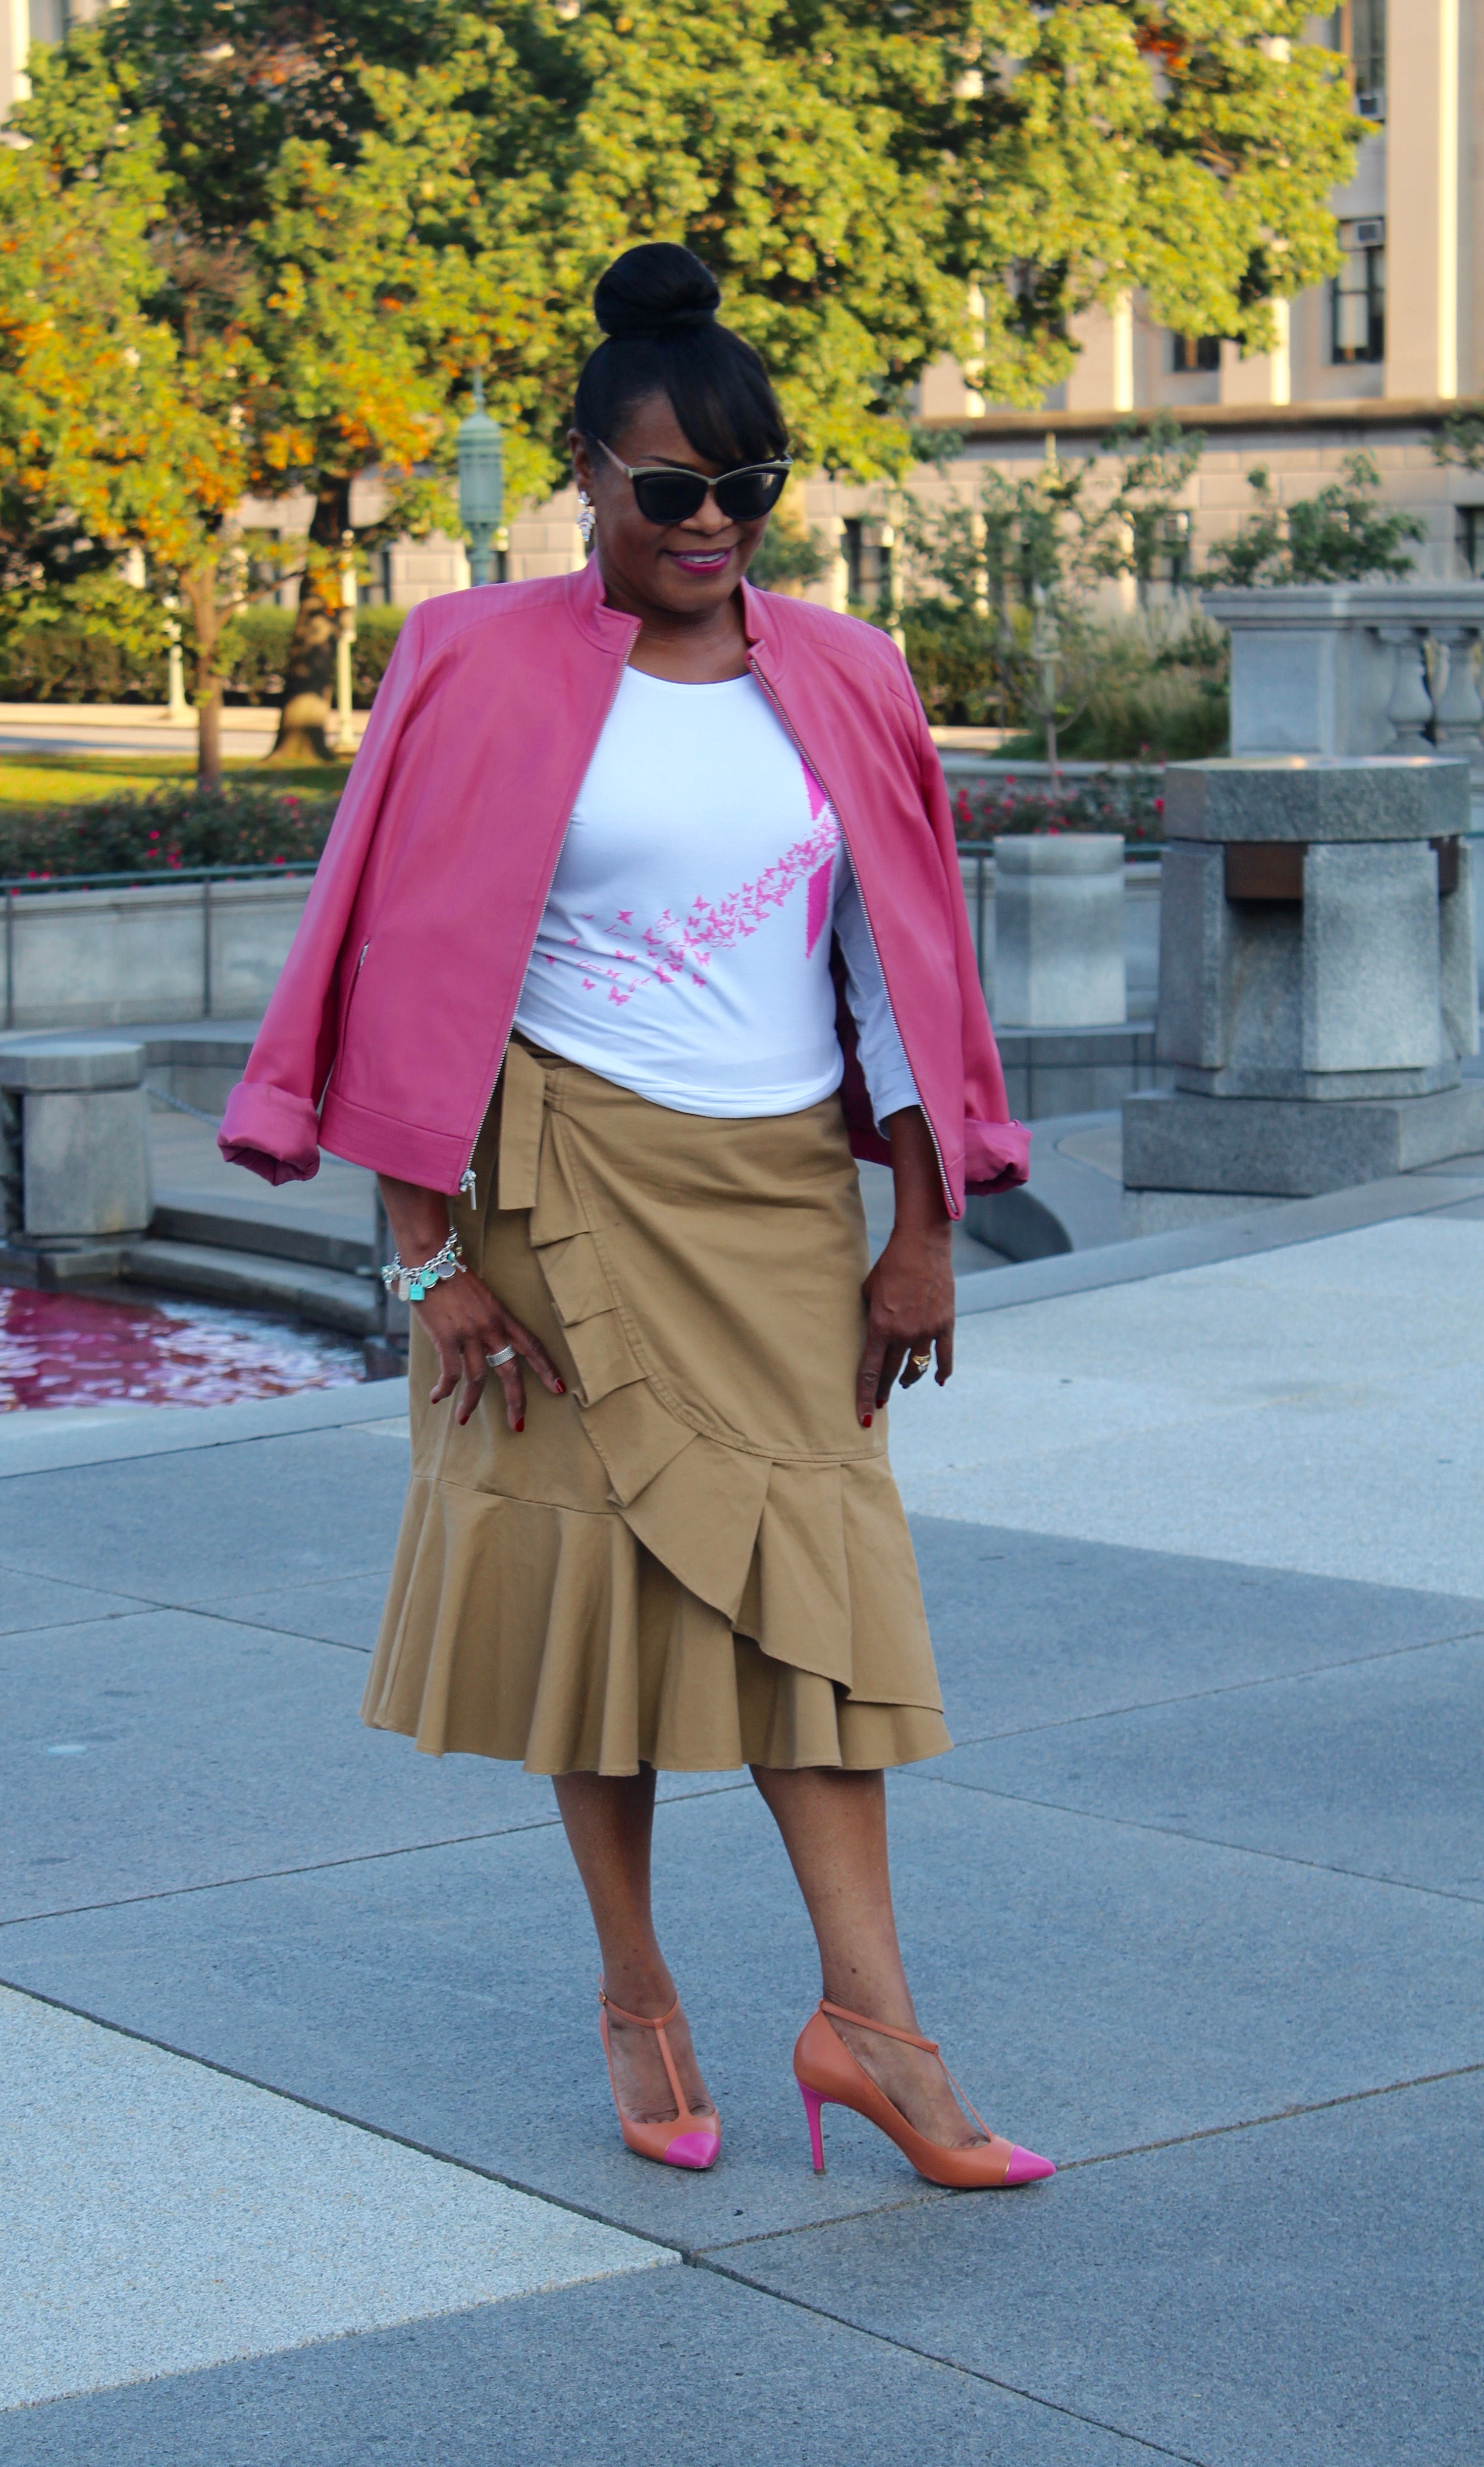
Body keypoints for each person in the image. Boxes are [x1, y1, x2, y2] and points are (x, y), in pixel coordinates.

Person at [219, 243, 1052, 2193]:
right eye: (671, 489)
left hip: (773, 1201)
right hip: (550, 1182)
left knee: (820, 1612)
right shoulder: (470, 659)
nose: (711, 525)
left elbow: (896, 958)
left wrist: (922, 1216)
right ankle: (635, 1996)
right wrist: (425, 1263)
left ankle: (870, 2028)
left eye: (748, 491)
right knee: (588, 1604)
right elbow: (395, 965)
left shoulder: (846, 672)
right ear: (585, 472)